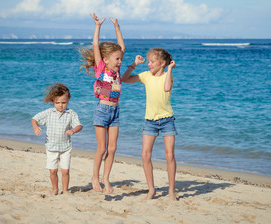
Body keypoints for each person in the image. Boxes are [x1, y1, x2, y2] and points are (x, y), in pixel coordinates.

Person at [122, 48, 177, 201]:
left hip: (167, 120)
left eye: (152, 62)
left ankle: (171, 191)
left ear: (162, 63)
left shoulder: (168, 76)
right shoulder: (146, 76)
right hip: (150, 121)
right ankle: (151, 190)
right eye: (148, 61)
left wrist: (170, 69)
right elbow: (124, 79)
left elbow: (167, 88)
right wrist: (134, 64)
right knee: (145, 155)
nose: (149, 64)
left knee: (170, 155)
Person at [79, 13, 125, 193]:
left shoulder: (117, 70)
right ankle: (95, 177)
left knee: (112, 149)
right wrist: (98, 26)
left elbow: (121, 47)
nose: (120, 61)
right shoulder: (101, 69)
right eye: (117, 59)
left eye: (120, 59)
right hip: (102, 110)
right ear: (106, 60)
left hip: (115, 112)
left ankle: (106, 177)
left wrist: (117, 28)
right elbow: (95, 46)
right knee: (102, 148)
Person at [31, 83, 83, 195]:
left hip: (66, 147)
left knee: (65, 171)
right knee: (53, 171)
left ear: (68, 100)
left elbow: (79, 125)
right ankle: (55, 189)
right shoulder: (49, 113)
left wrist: (73, 130)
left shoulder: (71, 113)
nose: (60, 105)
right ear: (52, 101)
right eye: (57, 103)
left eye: (63, 102)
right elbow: (34, 119)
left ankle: (65, 190)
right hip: (51, 147)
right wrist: (36, 128)